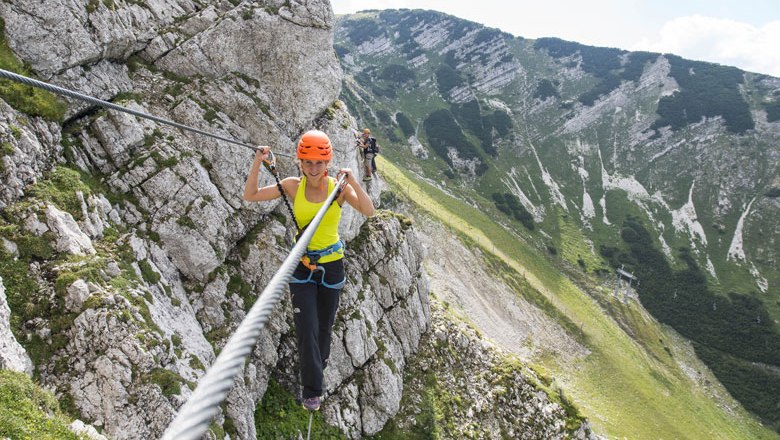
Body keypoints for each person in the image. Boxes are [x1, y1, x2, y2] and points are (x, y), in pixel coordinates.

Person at [243, 130, 375, 412]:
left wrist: (352, 181)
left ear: (327, 163)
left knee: (324, 330)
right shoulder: (292, 185)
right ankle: (312, 390)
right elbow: (250, 195)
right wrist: (258, 161)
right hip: (301, 266)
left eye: (319, 163)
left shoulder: (337, 189)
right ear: (299, 162)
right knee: (307, 329)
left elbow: (368, 210)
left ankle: (318, 366)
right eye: (308, 162)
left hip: (331, 266)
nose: (313, 168)